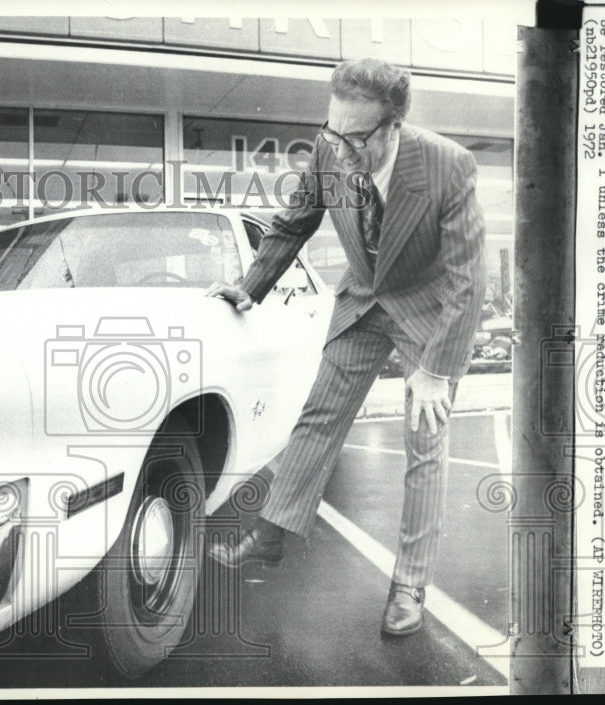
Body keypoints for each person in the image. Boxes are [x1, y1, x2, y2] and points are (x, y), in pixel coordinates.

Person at [205, 57, 486, 637]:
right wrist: (249, 287)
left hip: (426, 312)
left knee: (425, 444)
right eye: (335, 132)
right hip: (362, 301)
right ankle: (272, 534)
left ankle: (409, 583)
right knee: (318, 416)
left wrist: (436, 368)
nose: (344, 149)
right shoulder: (331, 147)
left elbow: (468, 281)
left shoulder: (448, 166)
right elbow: (293, 223)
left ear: (394, 127)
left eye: (358, 138)